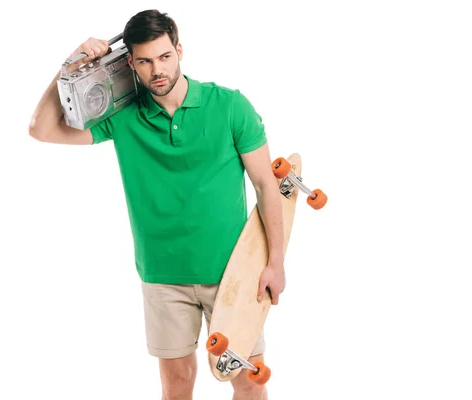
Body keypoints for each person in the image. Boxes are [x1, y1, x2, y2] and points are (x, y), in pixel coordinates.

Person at [28, 9, 285, 400]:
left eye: (164, 56)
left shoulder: (230, 106)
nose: (156, 70)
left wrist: (275, 262)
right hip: (163, 276)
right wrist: (69, 65)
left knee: (248, 380)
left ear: (179, 50)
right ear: (130, 62)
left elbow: (267, 184)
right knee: (177, 384)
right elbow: (41, 130)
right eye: (145, 61)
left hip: (235, 272)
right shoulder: (121, 117)